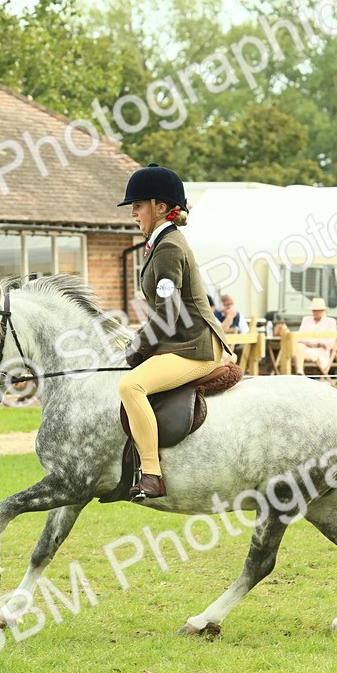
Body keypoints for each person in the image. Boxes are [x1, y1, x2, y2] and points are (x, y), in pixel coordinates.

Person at [117, 163, 231, 501]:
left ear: (160, 207)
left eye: (138, 205)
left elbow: (167, 314)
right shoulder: (161, 243)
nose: (133, 213)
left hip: (194, 347)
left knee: (130, 386)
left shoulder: (168, 248)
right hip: (181, 341)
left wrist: (138, 346)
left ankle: (152, 474)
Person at [294, 298, 337, 376]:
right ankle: (299, 372)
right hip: (304, 347)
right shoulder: (306, 320)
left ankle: (299, 373)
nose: (316, 312)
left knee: (296, 352)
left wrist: (316, 344)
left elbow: (331, 343)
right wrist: (307, 343)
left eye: (318, 310)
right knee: (297, 348)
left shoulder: (330, 322)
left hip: (320, 351)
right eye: (314, 310)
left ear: (323, 311)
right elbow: (300, 337)